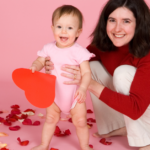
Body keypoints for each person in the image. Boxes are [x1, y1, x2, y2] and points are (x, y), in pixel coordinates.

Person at [45, 0, 150, 150]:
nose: (117, 28)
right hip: (139, 109)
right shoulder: (104, 44)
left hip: (143, 106)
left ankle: (145, 140)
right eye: (112, 20)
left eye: (126, 21)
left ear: (140, 24)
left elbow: (136, 108)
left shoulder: (147, 52)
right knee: (90, 67)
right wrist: (52, 63)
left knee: (122, 73)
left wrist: (91, 84)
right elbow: (77, 60)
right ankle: (116, 125)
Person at [30, 5, 95, 150]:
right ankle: (44, 145)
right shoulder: (49, 48)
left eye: (70, 28)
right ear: (52, 28)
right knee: (50, 119)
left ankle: (85, 146)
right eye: (59, 26)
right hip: (54, 96)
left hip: (74, 97)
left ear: (78, 31)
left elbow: (86, 73)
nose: (64, 31)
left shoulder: (79, 51)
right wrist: (35, 66)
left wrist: (83, 88)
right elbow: (40, 60)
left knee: (81, 122)